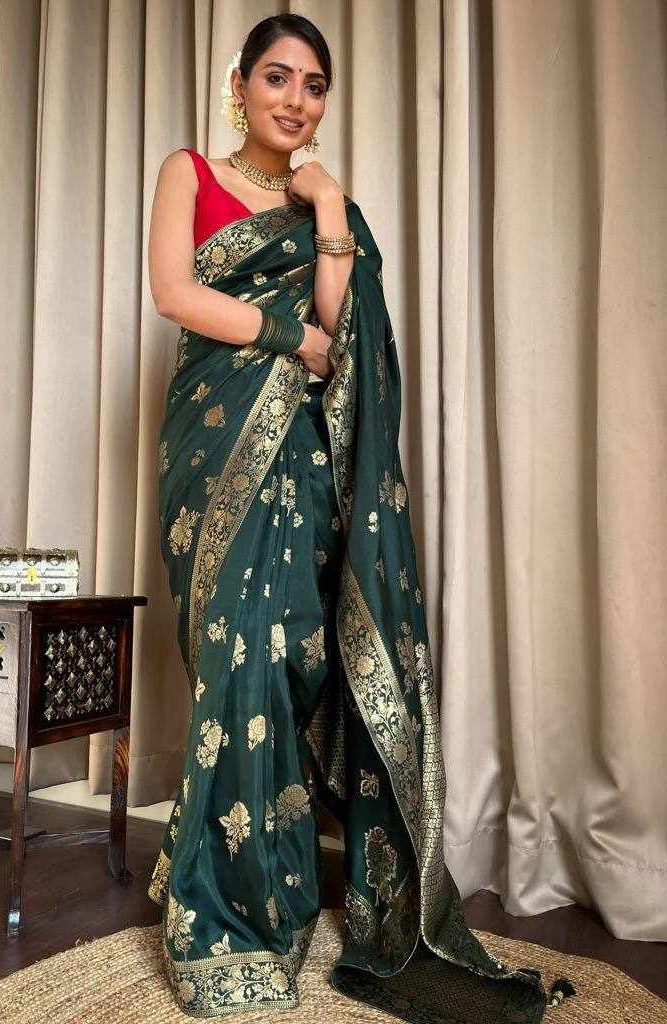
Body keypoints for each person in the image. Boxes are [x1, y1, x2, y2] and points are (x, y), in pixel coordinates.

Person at [145, 13, 576, 1022]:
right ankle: (222, 908)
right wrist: (286, 335)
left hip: (299, 461)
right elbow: (175, 294)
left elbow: (339, 331)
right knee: (233, 660)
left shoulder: (321, 205)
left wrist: (331, 202)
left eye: (314, 85)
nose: (295, 100)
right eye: (277, 78)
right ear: (240, 85)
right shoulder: (188, 173)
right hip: (214, 450)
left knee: (286, 660)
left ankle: (281, 892)